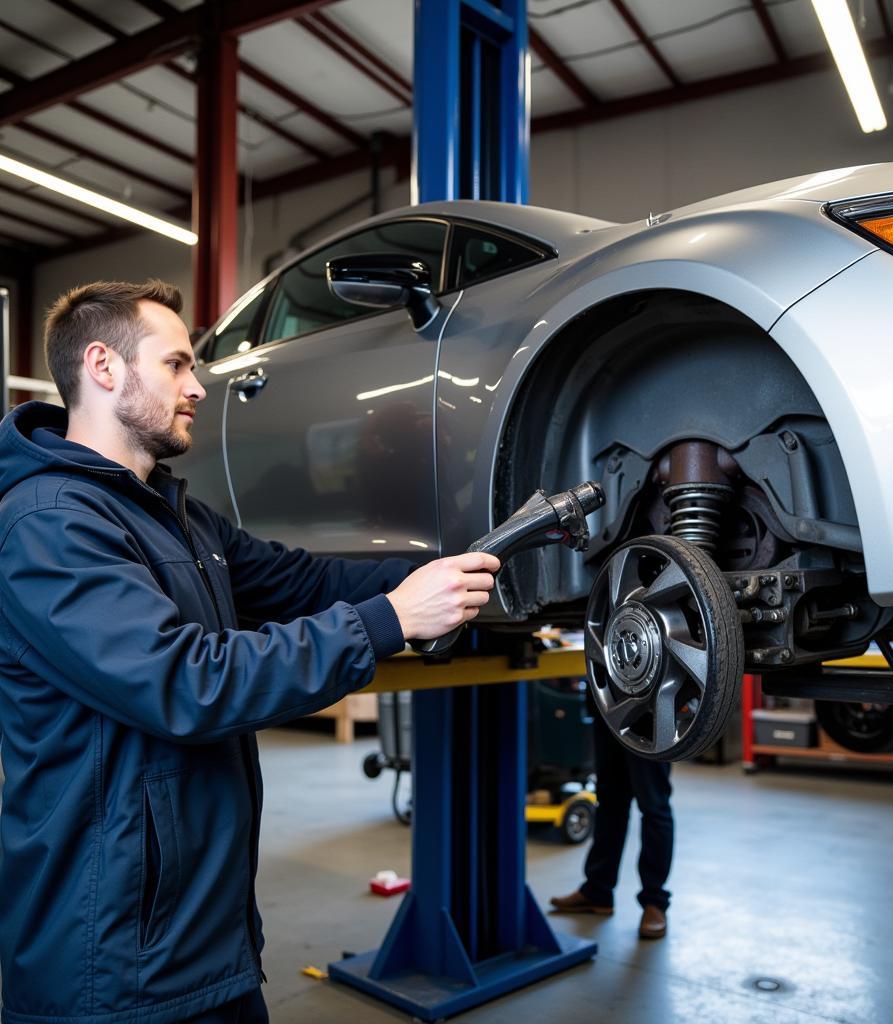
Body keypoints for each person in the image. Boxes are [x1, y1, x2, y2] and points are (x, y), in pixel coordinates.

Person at [0, 280, 500, 1024]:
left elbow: (304, 578)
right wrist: (391, 620)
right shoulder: (47, 525)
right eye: (176, 364)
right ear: (103, 368)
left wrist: (455, 569)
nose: (198, 386)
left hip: (202, 943)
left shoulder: (182, 519)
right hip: (108, 966)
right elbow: (185, 682)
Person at [550, 700, 674, 940]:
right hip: (607, 704)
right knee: (609, 802)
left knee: (654, 806)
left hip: (650, 710)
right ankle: (598, 890)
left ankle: (654, 902)